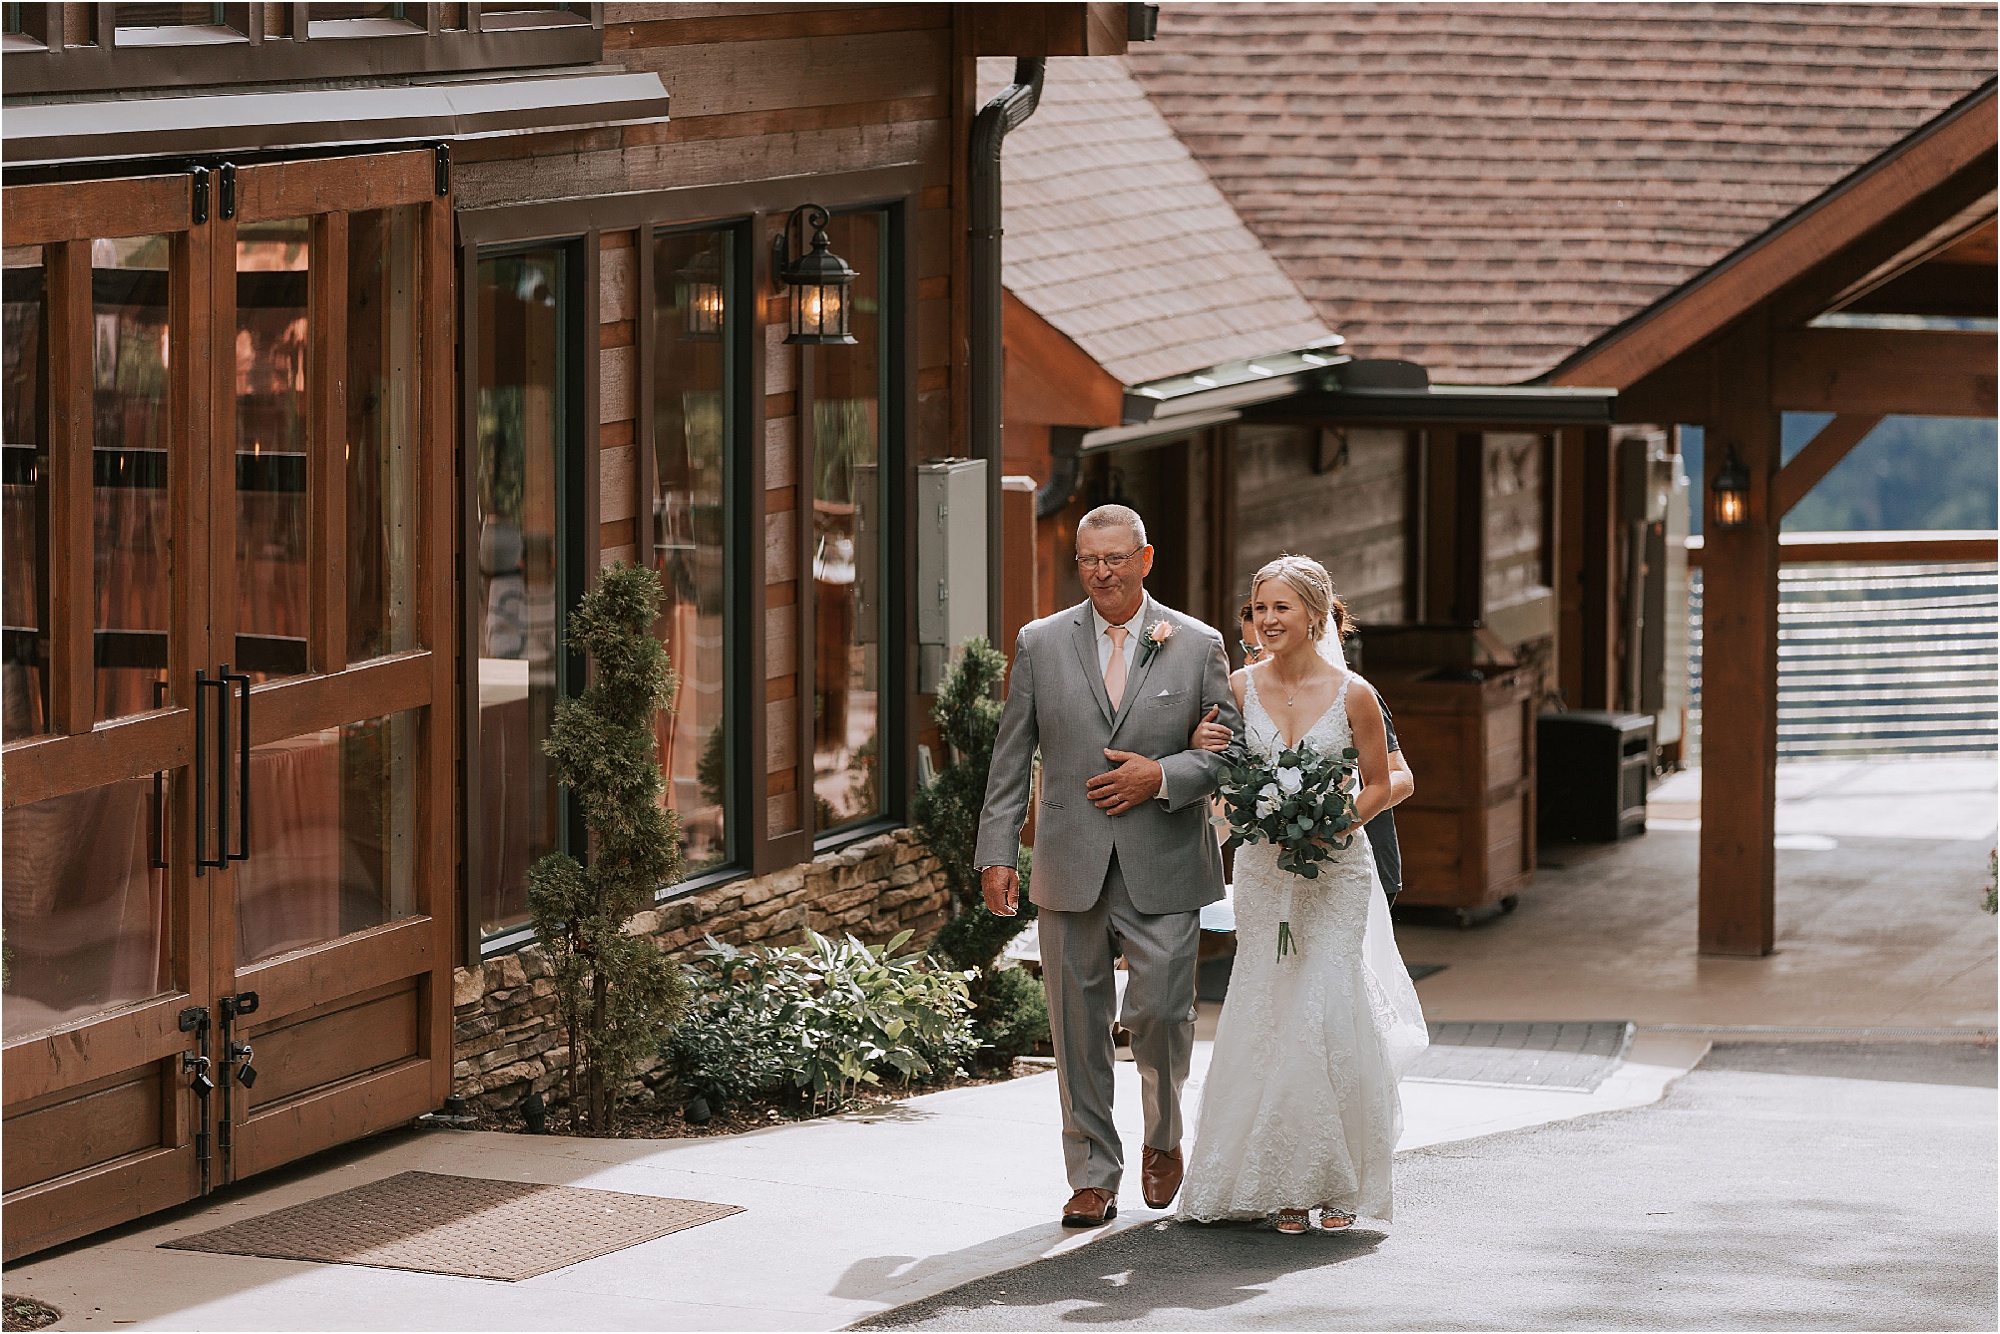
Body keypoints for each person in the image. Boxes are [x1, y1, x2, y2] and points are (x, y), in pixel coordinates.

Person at [975, 504, 1243, 1228]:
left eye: (1115, 559)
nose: (1101, 573)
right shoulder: (1039, 642)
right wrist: (997, 850)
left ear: (1145, 559)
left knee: (1159, 1013)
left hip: (1164, 858)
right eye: (1089, 561)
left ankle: (1163, 1138)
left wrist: (1162, 777)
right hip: (1069, 861)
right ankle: (1093, 1172)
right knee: (1075, 1023)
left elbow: (1230, 749)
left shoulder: (1197, 643)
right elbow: (1011, 759)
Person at [1177, 554, 1428, 1234]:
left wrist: (1336, 821)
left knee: (1324, 1008)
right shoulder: (1238, 685)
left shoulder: (1355, 694)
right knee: (1268, 1007)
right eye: (1260, 609)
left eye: (1281, 607)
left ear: (1316, 615)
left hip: (1335, 871)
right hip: (1263, 871)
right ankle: (1286, 1181)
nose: (1267, 620)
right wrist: (1205, 744)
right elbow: (1222, 771)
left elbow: (1382, 781)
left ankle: (1340, 1183)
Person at [1222, 602, 1416, 904]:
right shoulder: (1247, 695)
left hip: (1357, 861)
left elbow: (1401, 777)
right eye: (1247, 647)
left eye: (1259, 649)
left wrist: (1329, 815)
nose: (1250, 658)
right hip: (1273, 867)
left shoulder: (1352, 695)